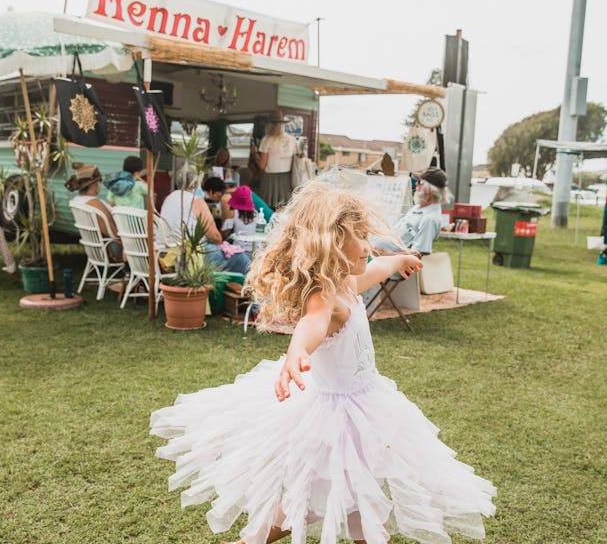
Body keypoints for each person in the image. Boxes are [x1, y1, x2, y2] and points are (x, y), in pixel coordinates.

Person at [150, 181, 496, 544]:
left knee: (352, 498)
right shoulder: (324, 297)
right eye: (359, 237)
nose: (367, 245)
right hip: (337, 421)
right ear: (330, 243)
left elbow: (377, 269)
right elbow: (312, 324)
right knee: (315, 502)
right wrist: (296, 352)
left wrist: (401, 259)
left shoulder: (347, 281)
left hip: (366, 409)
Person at [160, 170, 250, 275]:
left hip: (165, 253)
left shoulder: (169, 198)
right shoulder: (196, 201)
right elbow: (215, 237)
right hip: (189, 257)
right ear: (196, 183)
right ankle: (253, 287)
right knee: (240, 258)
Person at [372, 166, 450, 258]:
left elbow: (416, 255)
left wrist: (383, 254)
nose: (416, 185)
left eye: (420, 182)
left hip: (389, 266)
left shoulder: (430, 218)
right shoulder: (417, 208)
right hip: (377, 258)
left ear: (429, 190)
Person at [65, 163, 122, 262]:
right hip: (111, 248)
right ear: (93, 185)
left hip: (94, 249)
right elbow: (112, 232)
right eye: (98, 182)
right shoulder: (94, 204)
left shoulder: (77, 201)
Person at [252, 110, 298, 208]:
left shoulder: (267, 139)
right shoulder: (292, 139)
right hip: (287, 179)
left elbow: (262, 165)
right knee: (285, 209)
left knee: (268, 208)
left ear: (269, 125)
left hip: (270, 179)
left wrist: (255, 154)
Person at [221, 185, 257, 258]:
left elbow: (224, 235)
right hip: (255, 250)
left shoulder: (233, 213)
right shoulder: (256, 213)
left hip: (240, 252)